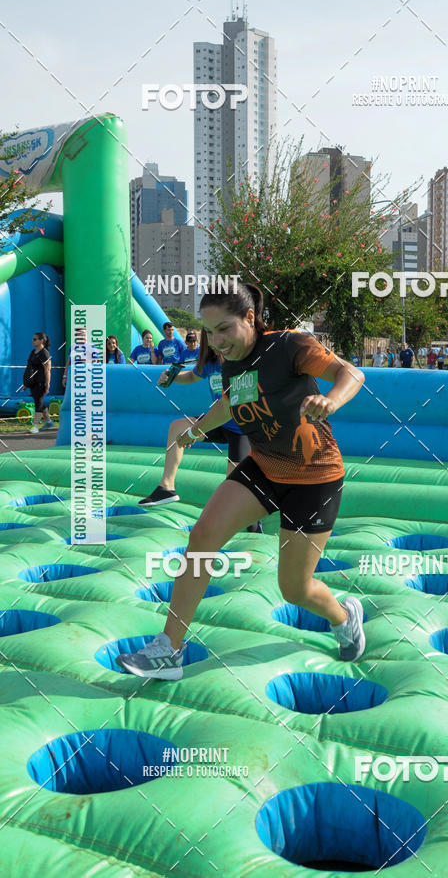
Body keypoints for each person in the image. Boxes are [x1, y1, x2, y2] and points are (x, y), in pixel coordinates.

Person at [117, 283, 367, 680]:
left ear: (250, 318)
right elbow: (231, 402)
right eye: (209, 332)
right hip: (264, 466)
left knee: (295, 589)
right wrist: (197, 429)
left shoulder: (289, 346)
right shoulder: (231, 360)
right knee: (201, 537)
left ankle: (344, 616)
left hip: (314, 478)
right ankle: (169, 649)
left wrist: (331, 400)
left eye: (224, 329)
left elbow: (350, 372)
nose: (216, 341)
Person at [138, 329, 261, 533]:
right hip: (218, 423)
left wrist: (196, 431)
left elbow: (234, 407)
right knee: (177, 426)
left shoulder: (240, 363)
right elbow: (192, 377)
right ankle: (166, 487)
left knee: (233, 483)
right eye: (210, 337)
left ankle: (253, 522)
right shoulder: (210, 362)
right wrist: (172, 377)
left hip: (243, 429)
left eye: (219, 335)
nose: (215, 341)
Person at [25, 332, 53, 433]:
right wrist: (26, 382)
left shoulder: (44, 353)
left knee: (38, 402)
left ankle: (35, 426)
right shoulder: (33, 352)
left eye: (35, 339)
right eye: (33, 339)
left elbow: (47, 370)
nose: (33, 341)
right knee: (39, 401)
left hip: (41, 382)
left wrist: (47, 384)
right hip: (33, 382)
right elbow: (29, 368)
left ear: (41, 341)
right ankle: (49, 422)